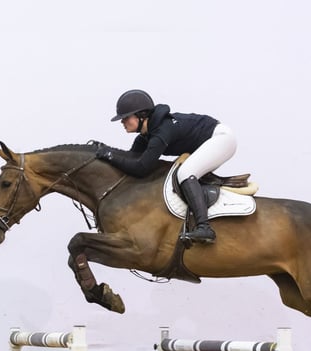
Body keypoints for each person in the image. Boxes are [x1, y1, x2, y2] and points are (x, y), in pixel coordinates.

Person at [95, 89, 237, 244]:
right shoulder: (144, 138)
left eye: (125, 117)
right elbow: (131, 162)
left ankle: (205, 228)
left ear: (141, 115)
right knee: (184, 172)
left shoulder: (163, 130)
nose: (122, 122)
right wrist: (108, 153)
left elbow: (142, 168)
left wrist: (110, 156)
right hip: (208, 142)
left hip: (222, 139)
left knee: (185, 173)